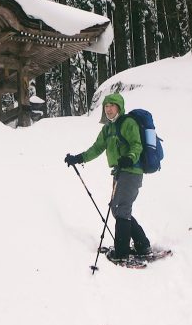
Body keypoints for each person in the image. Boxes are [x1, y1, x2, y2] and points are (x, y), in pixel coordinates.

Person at [64, 92, 151, 261]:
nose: (108, 109)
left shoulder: (128, 123)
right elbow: (96, 148)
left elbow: (137, 145)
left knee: (121, 208)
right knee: (117, 209)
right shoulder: (108, 128)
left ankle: (122, 253)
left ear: (119, 107)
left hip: (132, 171)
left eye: (111, 105)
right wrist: (78, 158)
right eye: (106, 106)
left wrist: (130, 157)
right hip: (119, 172)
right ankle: (142, 245)